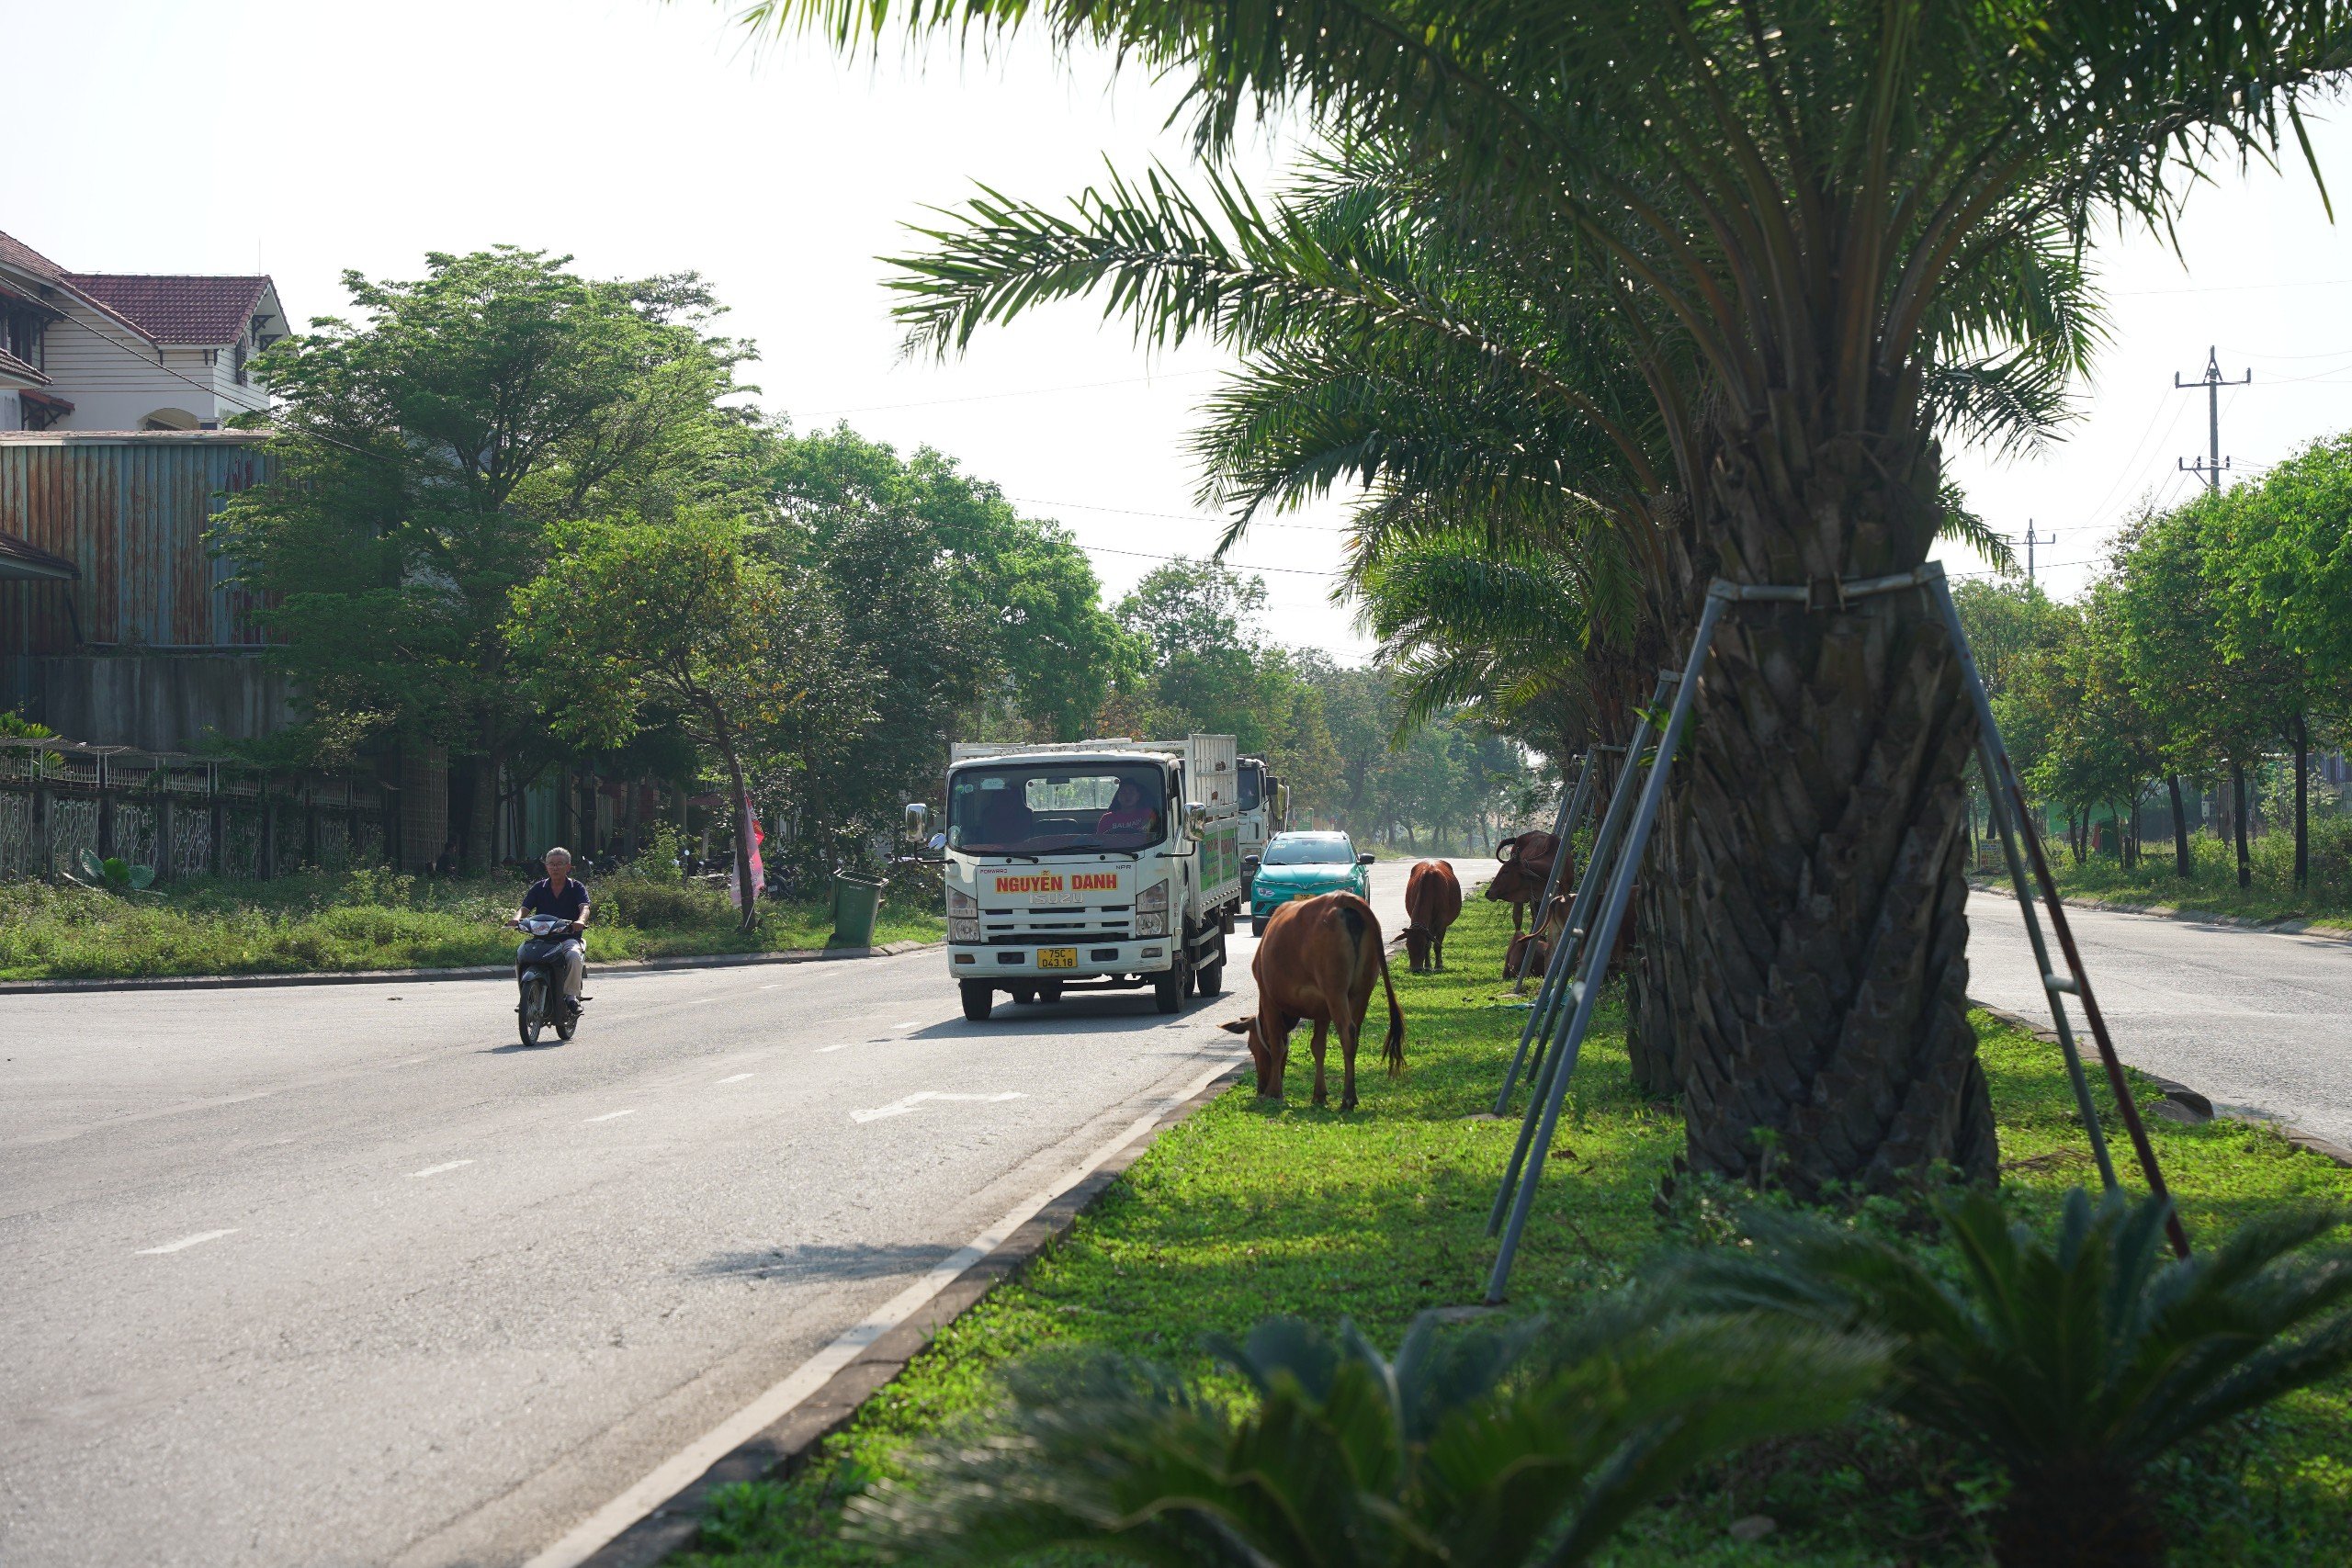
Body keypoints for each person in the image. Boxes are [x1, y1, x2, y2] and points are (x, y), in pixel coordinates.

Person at [515, 845, 591, 1016]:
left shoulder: (576, 887)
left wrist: (580, 920)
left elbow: (585, 907)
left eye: (559, 864)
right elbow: (524, 908)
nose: (555, 867)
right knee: (521, 953)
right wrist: (516, 918)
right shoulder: (538, 887)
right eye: (551, 864)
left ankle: (571, 996)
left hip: (567, 939)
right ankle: (526, 998)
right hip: (541, 939)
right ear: (546, 866)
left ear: (568, 867)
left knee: (573, 956)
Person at [1094, 778, 1158, 840]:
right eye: (1123, 792)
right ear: (1118, 797)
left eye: (1131, 792)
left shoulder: (1147, 813)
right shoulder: (1107, 818)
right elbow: (1099, 840)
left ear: (1138, 796)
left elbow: (1152, 835)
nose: (1127, 795)